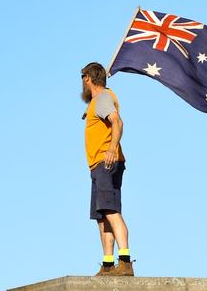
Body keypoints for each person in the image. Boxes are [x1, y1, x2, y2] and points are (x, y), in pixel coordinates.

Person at [81, 62, 134, 276]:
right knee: (102, 215)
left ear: (88, 79)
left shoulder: (102, 98)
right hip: (98, 165)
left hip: (106, 162)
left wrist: (111, 149)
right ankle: (108, 264)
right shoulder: (97, 101)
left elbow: (117, 122)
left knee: (112, 211)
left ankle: (125, 261)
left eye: (83, 79)